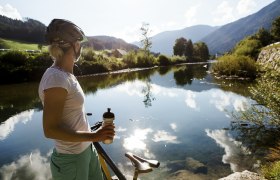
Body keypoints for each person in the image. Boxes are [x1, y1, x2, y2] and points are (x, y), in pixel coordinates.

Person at [38, 19, 115, 180]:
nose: (80, 46)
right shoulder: (56, 78)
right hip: (71, 159)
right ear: (73, 45)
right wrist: (94, 136)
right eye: (79, 42)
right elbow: (50, 129)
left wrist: (95, 134)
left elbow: (71, 114)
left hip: (87, 150)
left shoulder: (66, 75)